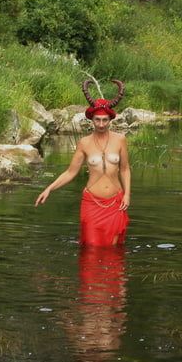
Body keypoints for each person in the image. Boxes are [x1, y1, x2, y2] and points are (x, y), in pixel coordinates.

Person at [34, 79, 130, 246]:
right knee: (92, 248)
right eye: (97, 120)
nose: (101, 124)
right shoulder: (84, 143)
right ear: (91, 119)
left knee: (113, 249)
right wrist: (49, 188)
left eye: (105, 120)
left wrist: (127, 194)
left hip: (116, 202)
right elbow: (71, 172)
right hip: (92, 203)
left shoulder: (120, 140)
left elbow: (125, 169)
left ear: (110, 120)